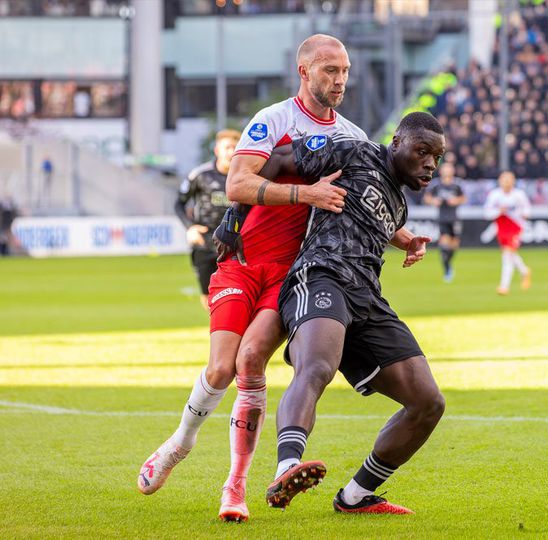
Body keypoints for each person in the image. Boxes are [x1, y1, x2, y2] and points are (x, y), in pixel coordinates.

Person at [138, 34, 398, 523]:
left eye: (344, 71)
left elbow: (367, 203)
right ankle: (180, 443)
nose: (339, 80)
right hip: (243, 262)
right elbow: (237, 183)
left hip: (291, 273)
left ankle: (234, 487)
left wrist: (402, 236)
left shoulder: (354, 138)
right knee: (220, 369)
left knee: (252, 358)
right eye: (328, 70)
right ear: (304, 72)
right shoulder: (273, 120)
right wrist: (304, 196)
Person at [254, 112, 446, 515]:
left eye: (438, 157)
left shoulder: (398, 204)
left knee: (428, 402)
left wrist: (406, 241)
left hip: (368, 296)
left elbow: (367, 215)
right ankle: (287, 467)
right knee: (317, 367)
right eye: (422, 151)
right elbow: (280, 158)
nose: (431, 163)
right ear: (396, 143)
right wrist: (236, 218)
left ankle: (356, 496)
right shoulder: (354, 151)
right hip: (321, 275)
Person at [174, 129, 240, 310]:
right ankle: (217, 330)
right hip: (204, 240)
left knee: (236, 291)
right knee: (207, 294)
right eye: (227, 147)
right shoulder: (200, 174)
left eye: (235, 147)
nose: (231, 152)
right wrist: (190, 228)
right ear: (217, 150)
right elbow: (179, 204)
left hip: (235, 242)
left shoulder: (245, 176)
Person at [484, 171, 532, 295]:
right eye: (504, 180)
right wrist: (498, 211)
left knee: (507, 255)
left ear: (513, 181)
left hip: (515, 227)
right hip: (501, 227)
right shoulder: (495, 195)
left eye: (509, 180)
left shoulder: (519, 195)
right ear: (500, 181)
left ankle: (504, 286)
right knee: (510, 253)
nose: (507, 183)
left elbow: (527, 208)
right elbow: (487, 213)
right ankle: (525, 271)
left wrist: (525, 215)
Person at [423, 162, 466, 282]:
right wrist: (433, 201)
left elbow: (464, 198)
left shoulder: (457, 185)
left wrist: (456, 200)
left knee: (454, 246)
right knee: (444, 243)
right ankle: (447, 270)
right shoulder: (436, 185)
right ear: (441, 171)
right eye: (445, 169)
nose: (447, 171)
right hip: (443, 218)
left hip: (455, 218)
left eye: (449, 169)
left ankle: (448, 262)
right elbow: (427, 198)